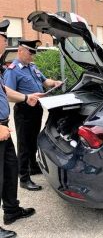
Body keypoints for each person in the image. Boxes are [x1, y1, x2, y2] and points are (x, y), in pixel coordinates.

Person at [4, 39, 63, 192]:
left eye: (33, 53)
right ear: (20, 51)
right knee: (24, 144)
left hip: (36, 109)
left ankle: (32, 166)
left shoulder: (32, 67)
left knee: (33, 141)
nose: (32, 56)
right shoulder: (13, 70)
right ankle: (23, 178)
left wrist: (54, 82)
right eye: (30, 53)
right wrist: (27, 96)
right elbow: (8, 94)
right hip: (24, 111)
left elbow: (44, 81)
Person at [0, 20, 41, 238]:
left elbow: (4, 91)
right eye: (3, 38)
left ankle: (12, 211)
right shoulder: (12, 68)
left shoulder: (1, 65)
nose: (6, 41)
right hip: (2, 126)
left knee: (9, 170)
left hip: (5, 126)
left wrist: (27, 97)